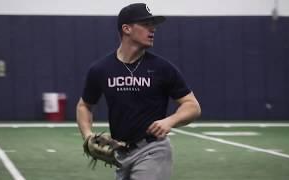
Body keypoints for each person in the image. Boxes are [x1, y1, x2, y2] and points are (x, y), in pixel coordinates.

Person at [76, 3, 201, 180]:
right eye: (146, 24)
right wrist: (88, 135)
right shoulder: (101, 69)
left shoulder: (163, 68)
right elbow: (84, 106)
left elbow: (193, 106)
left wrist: (170, 121)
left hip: (153, 150)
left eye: (153, 25)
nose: (153, 29)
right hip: (120, 154)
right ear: (126, 29)